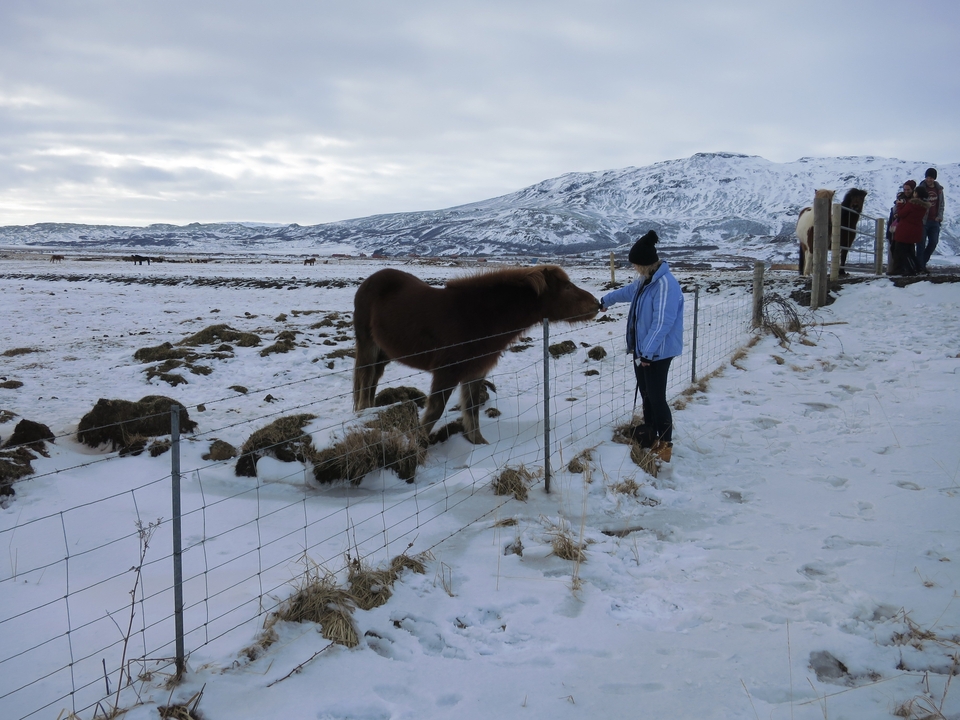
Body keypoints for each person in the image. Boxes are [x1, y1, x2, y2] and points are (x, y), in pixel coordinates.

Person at [600, 231, 684, 462]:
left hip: (658, 351)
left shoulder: (665, 285)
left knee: (656, 398)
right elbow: (627, 292)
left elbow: (663, 322)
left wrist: (647, 352)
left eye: (636, 264)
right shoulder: (645, 281)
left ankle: (665, 445)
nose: (634, 268)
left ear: (646, 263)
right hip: (643, 351)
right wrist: (604, 301)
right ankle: (651, 437)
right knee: (647, 395)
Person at [892, 180, 930, 276]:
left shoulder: (911, 204)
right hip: (915, 230)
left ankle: (909, 270)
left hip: (905, 231)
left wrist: (900, 205)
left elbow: (901, 214)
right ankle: (918, 268)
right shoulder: (923, 206)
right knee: (910, 252)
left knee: (901, 251)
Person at [917, 168, 945, 274]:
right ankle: (920, 267)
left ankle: (921, 263)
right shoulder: (921, 189)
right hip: (923, 221)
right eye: (927, 177)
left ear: (934, 178)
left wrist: (940, 216)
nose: (929, 180)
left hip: (935, 221)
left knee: (933, 242)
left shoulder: (939, 190)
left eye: (931, 178)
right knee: (921, 243)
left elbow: (941, 204)